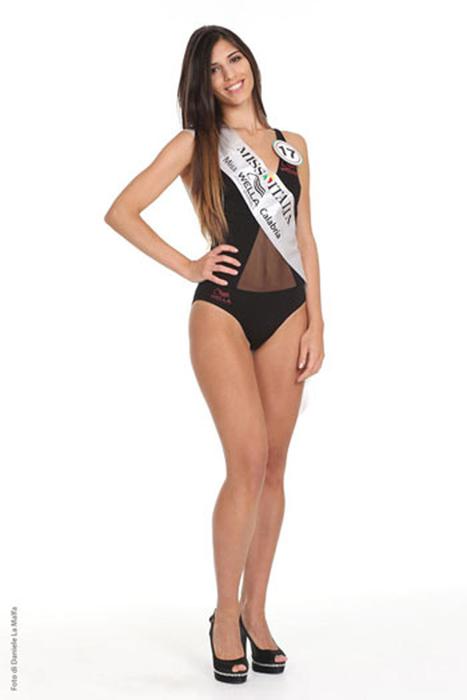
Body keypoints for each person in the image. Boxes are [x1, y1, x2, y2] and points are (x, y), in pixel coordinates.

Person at [104, 25, 325, 684]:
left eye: (235, 59)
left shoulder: (292, 145)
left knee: (275, 466)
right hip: (222, 310)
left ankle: (256, 613)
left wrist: (318, 322)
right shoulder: (195, 143)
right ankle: (224, 614)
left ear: (250, 63)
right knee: (247, 460)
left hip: (288, 311)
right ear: (201, 84)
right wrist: (188, 265)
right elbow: (122, 211)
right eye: (213, 69)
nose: (230, 75)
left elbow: (304, 234)